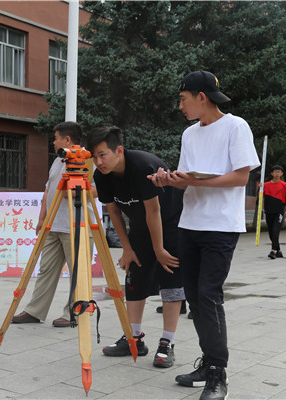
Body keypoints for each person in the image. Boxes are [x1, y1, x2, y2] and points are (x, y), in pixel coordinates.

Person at [149, 70, 260, 400]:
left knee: (209, 295)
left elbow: (241, 178)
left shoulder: (236, 126)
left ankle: (217, 374)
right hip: (190, 224)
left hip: (221, 226)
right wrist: (169, 180)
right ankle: (208, 361)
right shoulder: (189, 134)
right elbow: (186, 180)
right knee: (195, 298)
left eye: (183, 99)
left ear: (202, 97)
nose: (180, 105)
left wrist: (197, 181)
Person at [89, 126, 185, 369]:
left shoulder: (142, 167)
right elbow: (113, 211)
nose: (98, 162)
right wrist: (127, 248)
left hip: (170, 225)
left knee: (170, 280)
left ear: (119, 150)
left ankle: (167, 343)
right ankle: (133, 338)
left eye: (103, 155)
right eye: (94, 156)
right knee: (134, 278)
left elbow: (154, 211)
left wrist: (159, 250)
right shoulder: (102, 175)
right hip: (141, 228)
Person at [12, 121, 96, 328]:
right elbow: (48, 190)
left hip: (77, 225)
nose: (53, 142)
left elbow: (96, 190)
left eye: (56, 138)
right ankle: (35, 310)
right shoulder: (58, 160)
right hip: (54, 225)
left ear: (67, 139)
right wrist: (42, 219)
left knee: (78, 273)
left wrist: (75, 192)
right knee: (46, 269)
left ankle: (74, 312)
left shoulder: (87, 159)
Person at [263, 165, 286, 259]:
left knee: (275, 230)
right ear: (272, 173)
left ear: (282, 174)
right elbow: (262, 197)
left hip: (279, 211)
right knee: (271, 232)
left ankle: (273, 251)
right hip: (269, 211)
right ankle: (279, 251)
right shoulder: (266, 185)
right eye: (275, 171)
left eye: (279, 172)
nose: (277, 173)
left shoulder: (284, 185)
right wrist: (260, 188)